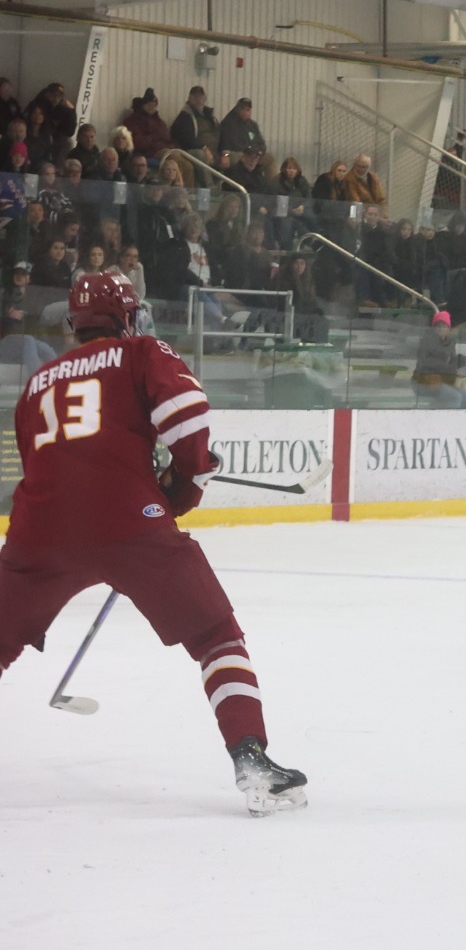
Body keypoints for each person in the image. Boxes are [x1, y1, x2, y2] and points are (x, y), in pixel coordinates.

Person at [0, 274, 307, 814]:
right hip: (128, 523)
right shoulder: (142, 352)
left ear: (74, 323)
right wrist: (185, 481)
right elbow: (187, 417)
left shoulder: (38, 381)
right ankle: (251, 758)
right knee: (216, 636)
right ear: (127, 316)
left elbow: (42, 462)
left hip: (38, 529)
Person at [413, 310, 466, 408]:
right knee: (455, 397)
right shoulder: (427, 341)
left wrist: (459, 362)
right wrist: (450, 368)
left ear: (448, 328)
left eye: (444, 326)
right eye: (438, 326)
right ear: (433, 328)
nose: (441, 328)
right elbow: (426, 364)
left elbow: (451, 362)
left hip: (444, 381)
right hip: (425, 382)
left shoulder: (450, 343)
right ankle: (448, 416)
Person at [119, 88, 171, 160]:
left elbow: (167, 137)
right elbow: (138, 142)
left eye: (154, 104)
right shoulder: (132, 121)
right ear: (144, 104)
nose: (153, 106)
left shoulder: (159, 122)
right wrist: (156, 138)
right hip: (147, 156)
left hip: (163, 152)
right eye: (150, 103)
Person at [170, 85, 219, 159]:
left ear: (205, 98)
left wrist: (225, 153)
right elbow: (188, 139)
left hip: (214, 150)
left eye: (200, 97)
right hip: (194, 150)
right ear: (189, 98)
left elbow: (219, 132)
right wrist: (204, 148)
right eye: (195, 97)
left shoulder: (210, 116)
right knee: (200, 155)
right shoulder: (184, 117)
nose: (198, 100)